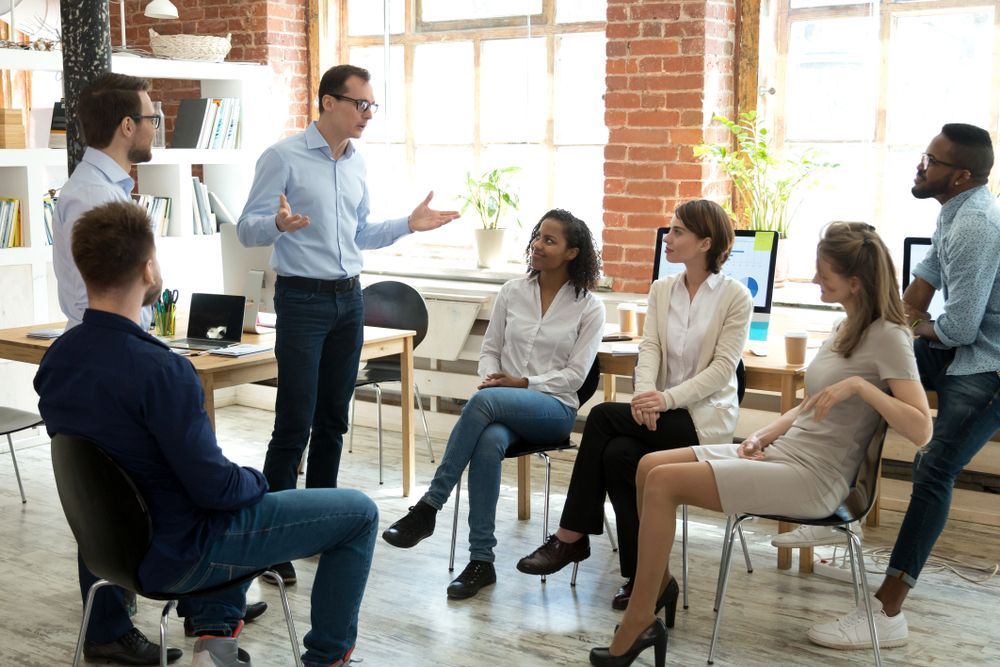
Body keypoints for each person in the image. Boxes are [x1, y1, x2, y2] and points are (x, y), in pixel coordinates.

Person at [35, 201, 379, 667]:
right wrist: (257, 480)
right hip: (180, 557)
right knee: (356, 512)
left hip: (111, 555)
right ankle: (327, 659)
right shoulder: (163, 370)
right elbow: (216, 488)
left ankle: (215, 645)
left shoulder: (58, 360)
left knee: (227, 499)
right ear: (148, 268)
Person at [587, 222, 932, 666]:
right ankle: (660, 584)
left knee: (663, 484)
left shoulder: (889, 336)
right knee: (647, 466)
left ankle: (638, 623)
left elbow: (922, 429)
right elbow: (812, 404)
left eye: (823, 275)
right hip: (786, 454)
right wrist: (767, 431)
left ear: (855, 282)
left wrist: (863, 390)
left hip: (814, 479)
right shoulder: (844, 325)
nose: (814, 281)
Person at [236, 64, 458, 585]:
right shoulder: (282, 156)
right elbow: (246, 228)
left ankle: (319, 526)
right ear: (328, 102)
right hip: (303, 301)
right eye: (361, 104)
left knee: (335, 418)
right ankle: (273, 542)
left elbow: (359, 233)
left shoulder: (356, 164)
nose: (367, 115)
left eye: (371, 106)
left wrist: (408, 224)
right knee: (294, 421)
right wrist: (277, 224)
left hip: (348, 300)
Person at [807, 124, 1000, 650]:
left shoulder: (978, 225)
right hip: (959, 349)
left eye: (932, 160)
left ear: (962, 175)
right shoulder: (953, 212)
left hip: (988, 363)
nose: (921, 165)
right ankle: (816, 497)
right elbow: (919, 292)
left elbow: (957, 329)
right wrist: (887, 331)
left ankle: (886, 611)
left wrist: (899, 330)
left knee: (933, 464)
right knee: (858, 365)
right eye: (924, 155)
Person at [516, 199, 753, 610]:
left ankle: (571, 535)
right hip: (659, 413)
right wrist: (647, 395)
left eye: (678, 231)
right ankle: (647, 580)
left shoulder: (735, 297)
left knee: (605, 416)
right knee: (619, 455)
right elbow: (651, 351)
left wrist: (663, 398)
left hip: (701, 422)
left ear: (705, 243)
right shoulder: (663, 289)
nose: (669, 237)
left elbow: (721, 371)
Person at [380, 210, 605, 599]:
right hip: (502, 404)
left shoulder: (589, 307)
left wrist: (521, 383)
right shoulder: (512, 292)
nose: (537, 244)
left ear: (573, 252)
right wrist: (492, 377)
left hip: (553, 409)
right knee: (486, 444)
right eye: (538, 236)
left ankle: (430, 506)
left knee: (485, 403)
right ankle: (481, 562)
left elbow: (575, 376)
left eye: (550, 240)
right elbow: (490, 353)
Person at [49, 72, 183, 665]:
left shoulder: (108, 186)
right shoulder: (90, 195)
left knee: (144, 484)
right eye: (152, 118)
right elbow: (91, 292)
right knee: (108, 494)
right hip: (110, 355)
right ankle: (106, 629)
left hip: (123, 346)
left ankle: (208, 593)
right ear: (127, 125)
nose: (156, 127)